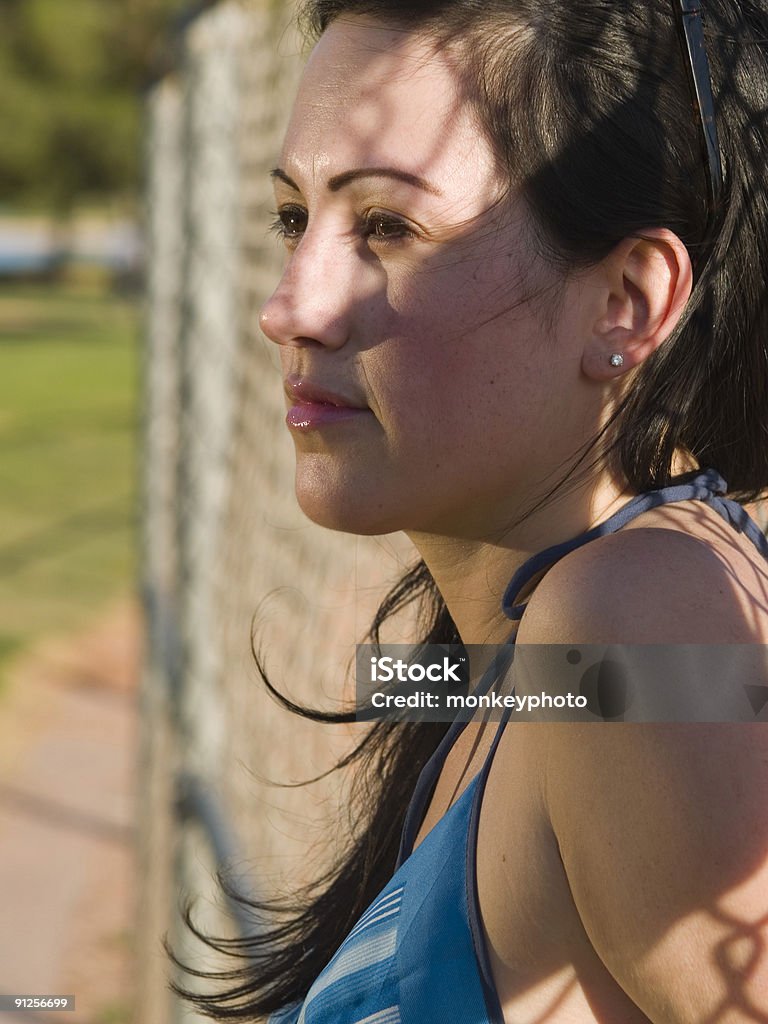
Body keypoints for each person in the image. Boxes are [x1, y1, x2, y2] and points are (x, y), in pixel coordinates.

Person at [170, 1, 768, 1021]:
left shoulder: (631, 615)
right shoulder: (509, 650)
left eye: (388, 226)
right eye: (293, 217)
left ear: (628, 298)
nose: (288, 307)